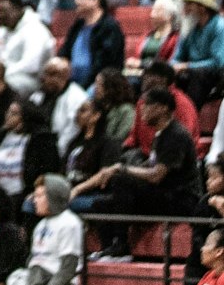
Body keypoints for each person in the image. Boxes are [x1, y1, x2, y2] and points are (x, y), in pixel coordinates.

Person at [72, 85, 200, 259]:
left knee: (123, 181)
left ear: (162, 108)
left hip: (181, 199)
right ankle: (109, 248)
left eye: (147, 105)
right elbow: (151, 166)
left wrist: (123, 169)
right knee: (101, 205)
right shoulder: (160, 135)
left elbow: (156, 176)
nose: (142, 110)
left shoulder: (175, 135)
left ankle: (122, 246)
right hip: (163, 195)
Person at [57, 0, 125, 88]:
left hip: (99, 84)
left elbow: (103, 65)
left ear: (95, 1)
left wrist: (81, 87)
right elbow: (64, 51)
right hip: (72, 82)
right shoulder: (78, 25)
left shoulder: (109, 27)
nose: (76, 2)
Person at [0, 0, 55, 98]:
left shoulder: (35, 29)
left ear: (18, 10)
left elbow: (31, 66)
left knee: (4, 85)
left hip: (33, 80)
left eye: (3, 12)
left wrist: (2, 74)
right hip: (6, 75)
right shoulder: (3, 30)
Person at [172, 0, 224, 107]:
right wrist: (173, 67)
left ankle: (190, 118)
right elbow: (176, 58)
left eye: (189, 4)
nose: (185, 8)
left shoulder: (220, 26)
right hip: (191, 73)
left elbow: (218, 63)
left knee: (199, 75)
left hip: (214, 77)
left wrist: (188, 66)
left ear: (202, 7)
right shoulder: (188, 25)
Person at [29, 57, 87, 160]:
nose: (45, 78)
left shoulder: (77, 97)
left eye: (51, 74)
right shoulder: (38, 95)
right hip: (35, 145)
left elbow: (73, 130)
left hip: (59, 150)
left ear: (64, 76)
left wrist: (56, 152)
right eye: (45, 73)